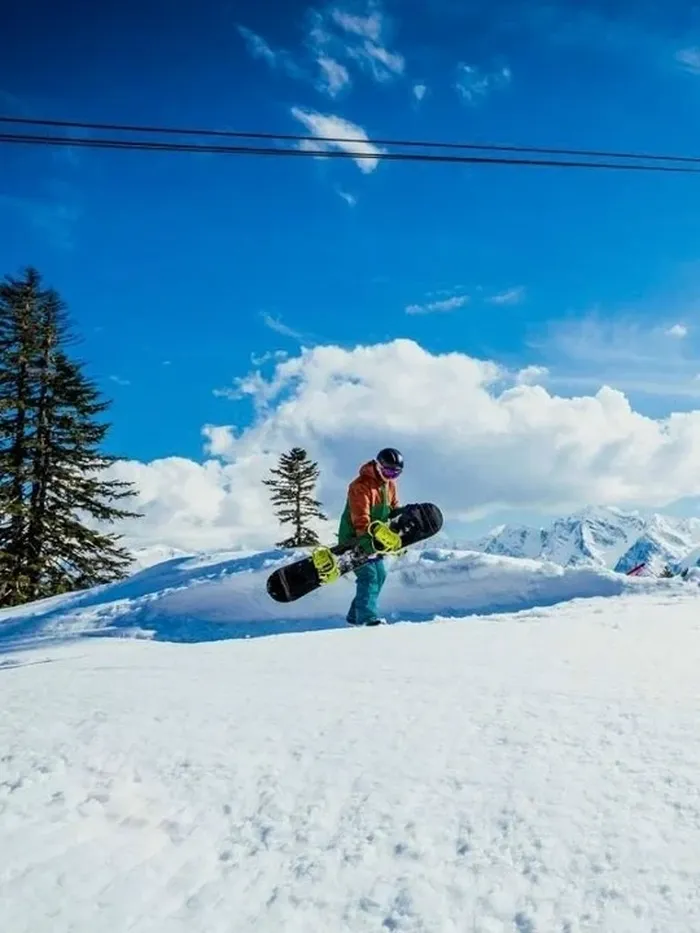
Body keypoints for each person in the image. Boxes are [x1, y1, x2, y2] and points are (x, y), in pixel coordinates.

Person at [337, 447, 403, 626]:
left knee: (380, 575)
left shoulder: (390, 485)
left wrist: (403, 516)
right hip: (354, 538)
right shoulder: (360, 486)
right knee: (369, 576)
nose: (390, 476)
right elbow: (361, 518)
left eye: (395, 473)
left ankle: (354, 616)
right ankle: (367, 619)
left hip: (375, 538)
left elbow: (393, 509)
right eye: (388, 471)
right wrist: (366, 544)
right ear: (378, 465)